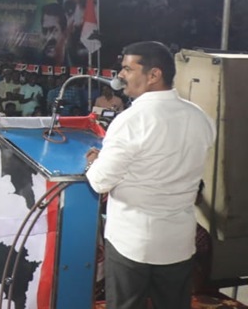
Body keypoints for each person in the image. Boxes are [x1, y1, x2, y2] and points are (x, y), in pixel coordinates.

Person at [85, 41, 215, 309]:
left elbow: (99, 182)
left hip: (132, 242)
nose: (121, 75)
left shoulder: (131, 121)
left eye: (127, 69)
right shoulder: (199, 117)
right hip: (177, 242)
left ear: (154, 74)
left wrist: (95, 162)